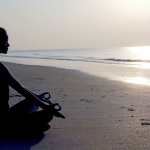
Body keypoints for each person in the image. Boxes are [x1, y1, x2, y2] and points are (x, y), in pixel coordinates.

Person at [0, 27, 65, 135]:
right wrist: (45, 107)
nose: (8, 45)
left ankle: (25, 125)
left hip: (5, 116)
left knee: (33, 102)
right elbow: (19, 88)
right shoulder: (0, 68)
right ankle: (18, 128)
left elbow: (21, 87)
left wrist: (38, 97)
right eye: (6, 41)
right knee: (47, 115)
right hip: (3, 119)